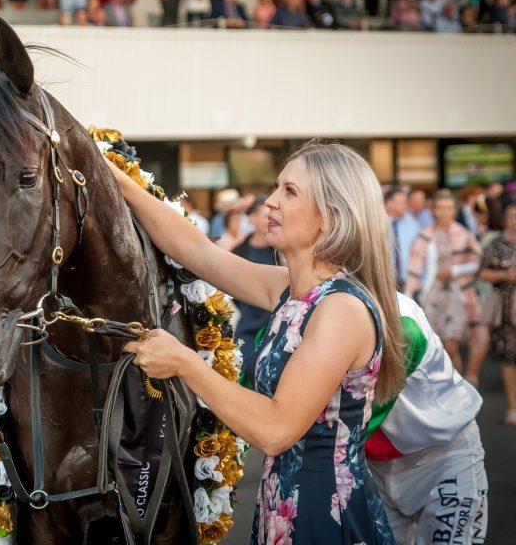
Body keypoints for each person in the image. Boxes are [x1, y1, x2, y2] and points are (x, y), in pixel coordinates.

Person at [113, 139, 405, 544]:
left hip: (324, 516)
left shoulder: (341, 309)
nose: (270, 201)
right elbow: (196, 251)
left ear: (331, 217)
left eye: (290, 191)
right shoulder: (292, 290)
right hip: (285, 503)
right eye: (276, 187)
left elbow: (275, 430)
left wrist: (184, 363)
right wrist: (116, 178)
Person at [366, 293, 487, 544]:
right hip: (374, 466)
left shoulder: (401, 321)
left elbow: (349, 424)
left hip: (443, 459)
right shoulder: (309, 307)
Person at [406, 190, 488, 387]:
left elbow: (477, 261)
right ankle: (449, 388)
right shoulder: (424, 236)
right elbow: (414, 269)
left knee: (452, 345)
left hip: (458, 296)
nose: (444, 212)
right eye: (440, 208)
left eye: (448, 208)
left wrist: (454, 270)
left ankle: (460, 385)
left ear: (455, 210)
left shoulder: (464, 234)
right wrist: (408, 297)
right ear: (433, 210)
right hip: (432, 297)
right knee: (438, 348)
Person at [479, 201, 516, 425]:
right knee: (509, 355)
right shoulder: (496, 243)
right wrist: (505, 275)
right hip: (506, 309)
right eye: (511, 215)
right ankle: (512, 405)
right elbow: (482, 273)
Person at [230, 198, 276, 363]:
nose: (269, 221)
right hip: (248, 326)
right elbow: (233, 289)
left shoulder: (280, 252)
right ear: (252, 217)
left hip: (274, 327)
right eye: (264, 216)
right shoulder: (239, 252)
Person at [385, 186, 420, 290]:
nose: (407, 205)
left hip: (407, 282)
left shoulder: (413, 225)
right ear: (390, 203)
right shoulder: (376, 225)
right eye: (403, 202)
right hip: (384, 282)